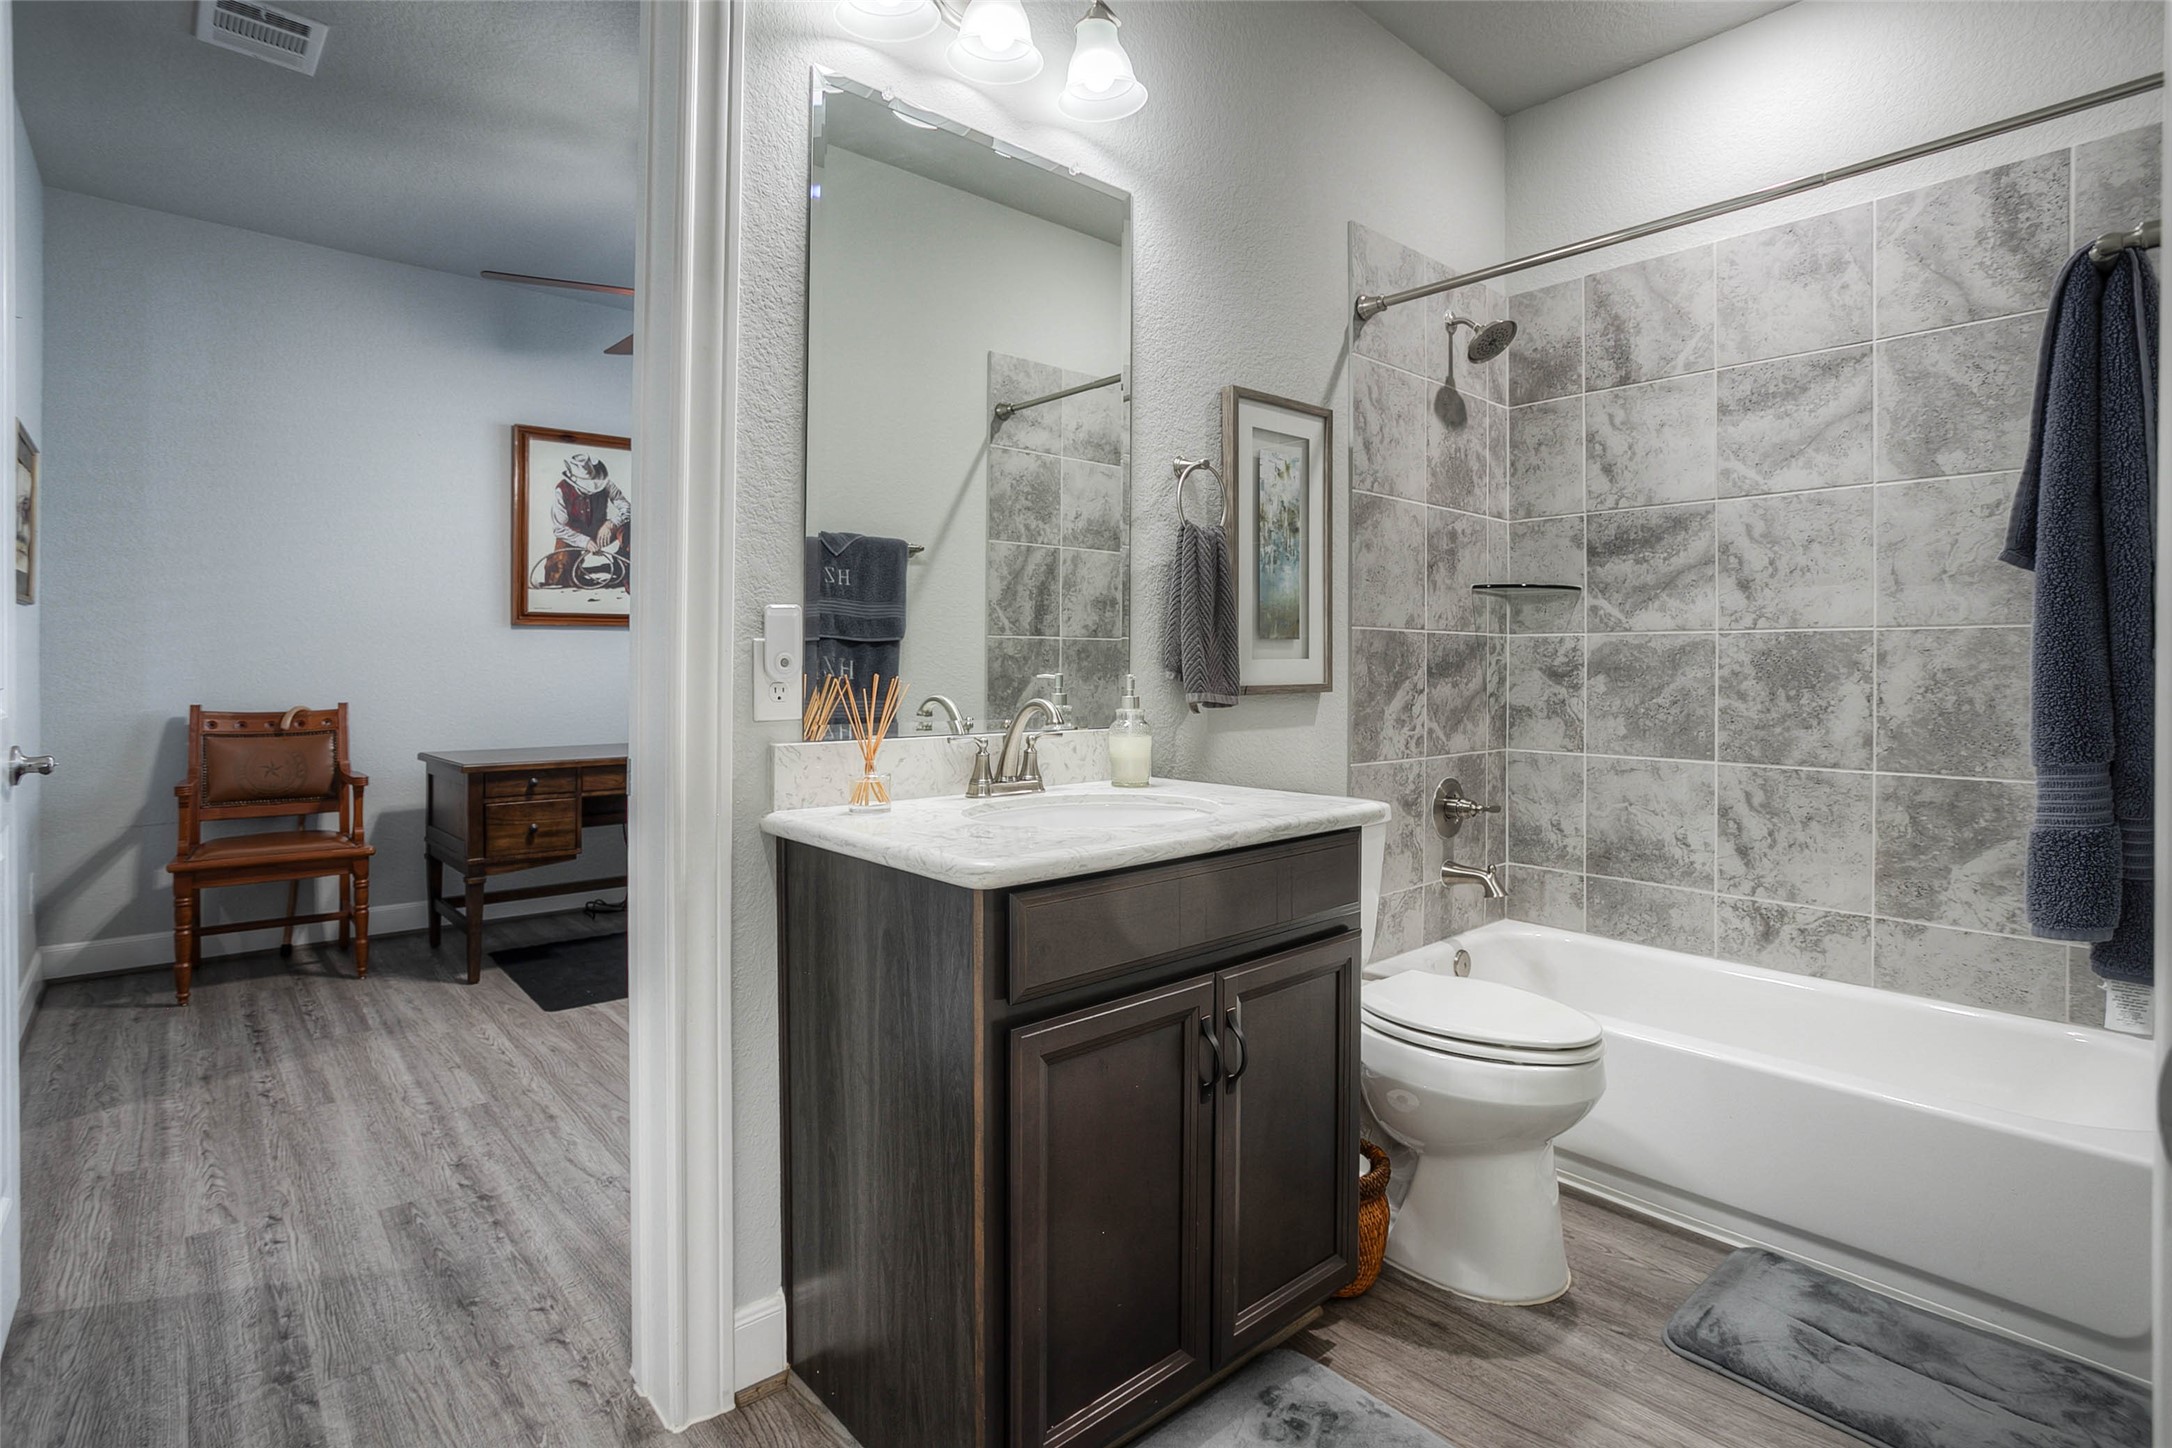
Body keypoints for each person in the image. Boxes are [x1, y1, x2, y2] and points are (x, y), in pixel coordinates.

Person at [538, 453, 630, 589]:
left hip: (601, 531)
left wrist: (612, 523)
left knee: (629, 528)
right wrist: (585, 542)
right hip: (573, 535)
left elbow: (627, 507)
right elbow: (559, 528)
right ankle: (571, 572)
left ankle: (624, 567)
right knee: (559, 573)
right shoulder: (562, 490)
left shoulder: (605, 483)